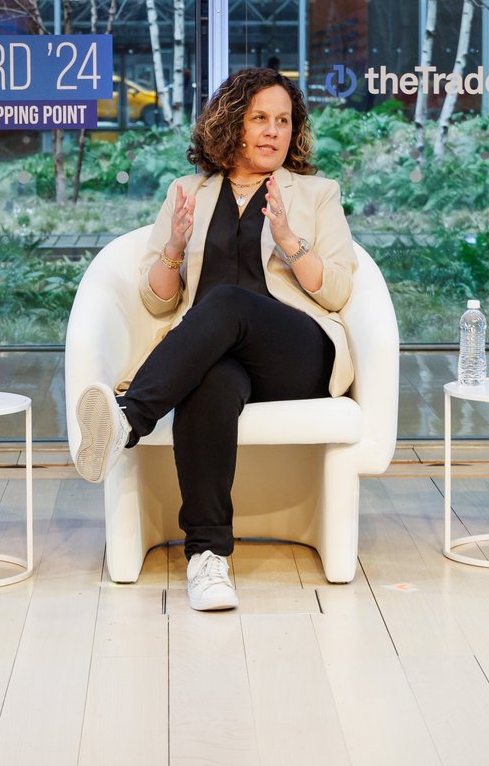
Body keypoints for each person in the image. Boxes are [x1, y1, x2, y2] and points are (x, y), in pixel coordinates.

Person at [72, 68, 357, 612]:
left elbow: (339, 291)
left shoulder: (317, 194)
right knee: (211, 384)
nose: (273, 132)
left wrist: (292, 245)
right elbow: (158, 300)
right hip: (224, 358)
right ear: (232, 125)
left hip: (297, 352)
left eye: (283, 121)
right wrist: (175, 248)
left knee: (225, 302)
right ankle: (208, 558)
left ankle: (129, 418)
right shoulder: (188, 193)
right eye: (260, 120)